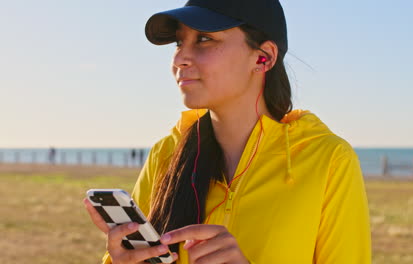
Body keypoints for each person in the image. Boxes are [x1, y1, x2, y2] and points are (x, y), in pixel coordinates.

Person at [84, 0, 371, 263]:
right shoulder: (166, 152)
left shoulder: (328, 159)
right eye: (178, 43)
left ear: (263, 58)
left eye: (205, 39)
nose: (181, 58)